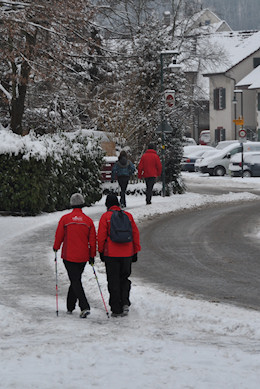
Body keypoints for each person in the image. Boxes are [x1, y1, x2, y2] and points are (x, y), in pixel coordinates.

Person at [53, 193, 96, 318]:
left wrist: (56, 247)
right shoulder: (88, 221)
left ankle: (84, 306)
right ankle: (70, 306)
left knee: (75, 280)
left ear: (71, 204)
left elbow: (59, 235)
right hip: (83, 256)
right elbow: (92, 240)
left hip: (69, 256)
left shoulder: (65, 219)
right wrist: (92, 255)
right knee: (75, 279)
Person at [98, 194, 141, 317]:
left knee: (113, 280)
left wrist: (101, 251)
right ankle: (125, 303)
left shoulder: (106, 217)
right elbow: (135, 234)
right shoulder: (128, 216)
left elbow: (101, 237)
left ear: (107, 205)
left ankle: (116, 308)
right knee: (124, 278)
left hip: (111, 254)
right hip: (127, 253)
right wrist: (135, 251)